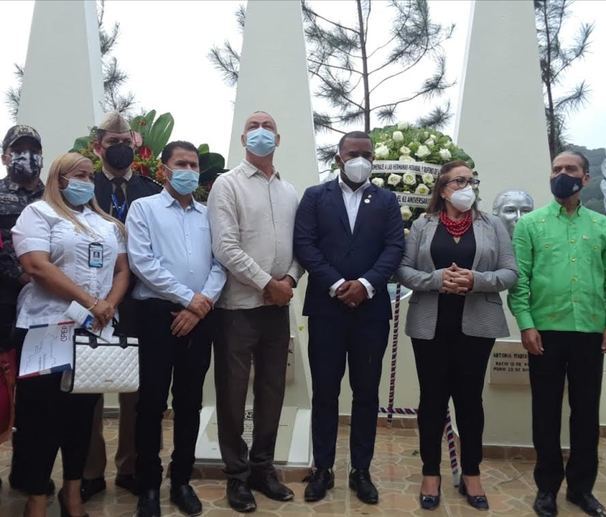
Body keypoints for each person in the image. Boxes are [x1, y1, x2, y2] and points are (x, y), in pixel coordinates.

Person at [11, 152, 130, 517]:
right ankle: (36, 497)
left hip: (92, 333)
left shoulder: (107, 223)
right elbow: (35, 265)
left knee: (81, 418)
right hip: (45, 328)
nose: (85, 180)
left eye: (89, 174)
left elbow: (123, 269)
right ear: (58, 178)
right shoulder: (39, 214)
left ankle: (73, 493)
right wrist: (92, 301)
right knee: (38, 419)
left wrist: (108, 304)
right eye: (77, 174)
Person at [397, 160, 517, 511]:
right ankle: (430, 473)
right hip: (430, 325)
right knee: (432, 400)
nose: (467, 186)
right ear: (443, 188)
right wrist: (435, 279)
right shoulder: (423, 224)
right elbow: (403, 269)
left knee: (469, 401)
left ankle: (472, 473)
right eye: (459, 180)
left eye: (471, 180)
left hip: (477, 326)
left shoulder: (491, 224)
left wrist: (475, 281)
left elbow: (510, 272)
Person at [293, 131, 403, 505]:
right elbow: (305, 245)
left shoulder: (386, 200)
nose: (361, 160)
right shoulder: (314, 196)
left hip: (371, 313)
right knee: (325, 392)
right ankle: (322, 469)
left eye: (367, 154)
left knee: (366, 394)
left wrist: (367, 285)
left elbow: (394, 247)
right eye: (354, 153)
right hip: (326, 310)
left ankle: (361, 470)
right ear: (339, 156)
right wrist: (340, 284)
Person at [508, 151, 606, 517]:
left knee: (586, 414)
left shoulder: (603, 227)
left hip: (589, 332)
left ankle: (581, 489)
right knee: (545, 413)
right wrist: (526, 323)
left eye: (570, 169)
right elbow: (520, 281)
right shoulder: (531, 225)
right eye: (556, 169)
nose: (562, 174)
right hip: (545, 334)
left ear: (585, 179)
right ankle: (547, 489)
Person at [208, 111, 303, 513]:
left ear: (278, 139)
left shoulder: (290, 192)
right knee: (232, 392)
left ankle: (263, 467)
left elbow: (301, 247)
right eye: (253, 127)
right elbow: (225, 247)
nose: (261, 132)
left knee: (271, 389)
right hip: (238, 308)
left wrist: (290, 283)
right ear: (243, 137)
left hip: (277, 307)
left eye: (268, 128)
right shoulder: (226, 185)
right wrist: (268, 283)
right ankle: (237, 475)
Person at [126, 141, 226, 517]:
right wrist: (188, 298)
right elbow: (142, 262)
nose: (188, 170)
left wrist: (200, 306)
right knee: (151, 403)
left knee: (190, 402)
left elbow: (221, 262)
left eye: (193, 164)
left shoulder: (207, 215)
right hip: (155, 315)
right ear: (164, 169)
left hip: (200, 317)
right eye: (180, 164)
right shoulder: (144, 208)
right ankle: (148, 485)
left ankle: (181, 480)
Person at [81, 111, 161, 501]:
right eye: (112, 143)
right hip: (93, 302)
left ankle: (129, 466)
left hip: (140, 302)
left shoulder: (149, 190)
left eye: (125, 142)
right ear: (98, 148)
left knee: (137, 391)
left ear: (135, 144)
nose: (120, 149)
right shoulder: (84, 187)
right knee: (89, 386)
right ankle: (91, 470)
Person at [0, 125, 54, 495]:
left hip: (43, 309)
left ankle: (27, 471)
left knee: (35, 396)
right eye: (18, 149)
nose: (27, 156)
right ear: (5, 155)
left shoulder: (54, 198)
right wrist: (21, 275)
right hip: (4, 304)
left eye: (33, 149)